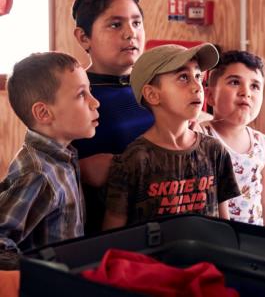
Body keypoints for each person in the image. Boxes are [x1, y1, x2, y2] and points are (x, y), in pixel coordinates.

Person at [102, 44, 240, 229]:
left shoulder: (214, 150)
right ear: (152, 94)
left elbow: (224, 226)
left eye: (198, 76)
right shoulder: (134, 160)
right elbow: (113, 233)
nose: (198, 87)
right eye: (183, 77)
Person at [0, 52, 99, 269]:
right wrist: (41, 272)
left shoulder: (64, 157)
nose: (95, 102)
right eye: (82, 95)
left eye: (90, 91)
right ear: (44, 113)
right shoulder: (37, 174)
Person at [71, 0, 154, 234]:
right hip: (101, 231)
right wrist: (79, 168)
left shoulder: (157, 88)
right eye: (115, 24)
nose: (131, 33)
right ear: (84, 37)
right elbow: (44, 162)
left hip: (162, 223)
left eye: (136, 22)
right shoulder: (72, 95)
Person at [202, 50, 265, 228]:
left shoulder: (263, 144)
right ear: (209, 96)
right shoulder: (201, 136)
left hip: (255, 240)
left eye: (255, 86)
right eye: (234, 82)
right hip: (217, 238)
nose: (245, 92)